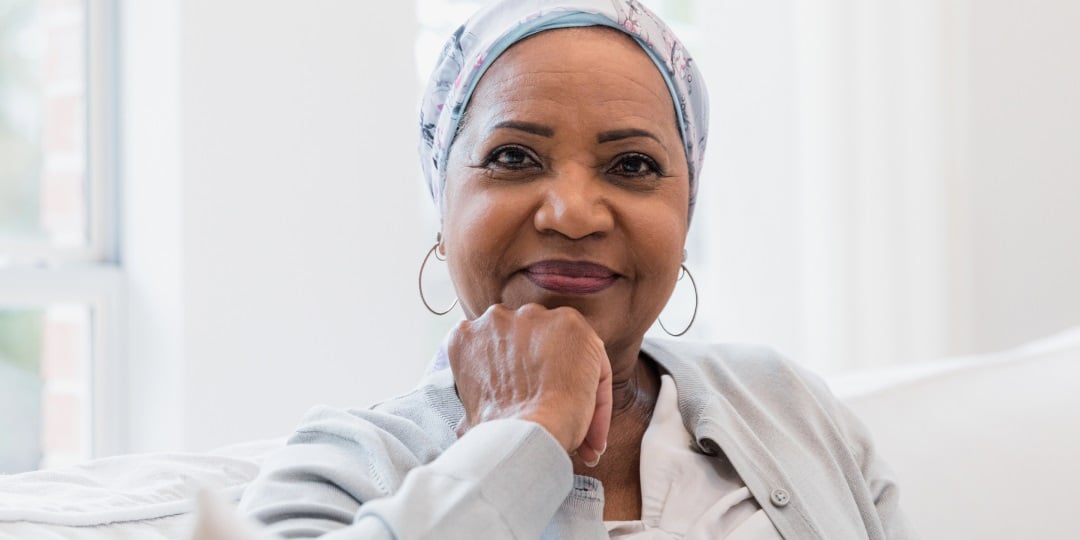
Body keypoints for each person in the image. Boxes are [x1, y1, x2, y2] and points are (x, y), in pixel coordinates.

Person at [239, 1, 914, 538]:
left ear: (686, 213)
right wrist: (523, 431)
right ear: (443, 208)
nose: (573, 214)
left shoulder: (791, 408)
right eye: (513, 157)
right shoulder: (338, 469)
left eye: (633, 166)